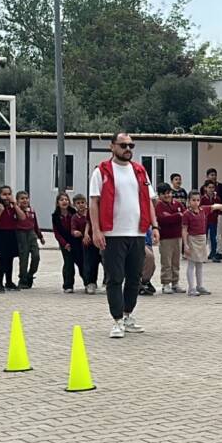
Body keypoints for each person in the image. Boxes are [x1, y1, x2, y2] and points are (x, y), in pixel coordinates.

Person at [90, 132, 159, 339]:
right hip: (112, 234)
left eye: (131, 145)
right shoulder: (101, 171)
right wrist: (96, 230)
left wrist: (154, 226)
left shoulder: (139, 171)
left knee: (134, 278)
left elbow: (148, 200)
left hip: (137, 233)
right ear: (112, 146)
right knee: (115, 278)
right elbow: (94, 202)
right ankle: (117, 320)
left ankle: (128, 315)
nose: (128, 149)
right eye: (123, 145)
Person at [181, 190, 222, 296]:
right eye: (193, 200)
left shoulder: (203, 210)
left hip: (202, 238)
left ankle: (200, 286)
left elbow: (215, 206)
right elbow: (184, 230)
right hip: (192, 239)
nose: (196, 202)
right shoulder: (186, 214)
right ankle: (191, 288)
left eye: (197, 200)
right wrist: (185, 244)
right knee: (191, 263)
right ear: (189, 201)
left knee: (200, 263)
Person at [0, 185, 23, 293]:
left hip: (12, 233)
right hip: (0, 234)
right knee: (2, 260)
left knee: (10, 259)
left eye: (9, 194)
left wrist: (15, 205)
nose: (7, 197)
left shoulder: (13, 207)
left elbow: (22, 217)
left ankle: (9, 281)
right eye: (4, 194)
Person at [155, 184, 184, 293]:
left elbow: (184, 215)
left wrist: (173, 216)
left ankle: (175, 283)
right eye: (164, 194)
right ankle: (166, 283)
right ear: (160, 195)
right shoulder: (159, 206)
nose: (167, 195)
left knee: (176, 261)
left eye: (169, 193)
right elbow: (163, 219)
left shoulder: (178, 204)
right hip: (165, 238)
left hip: (177, 236)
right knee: (166, 262)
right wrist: (177, 215)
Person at [14, 191, 45, 290]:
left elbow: (35, 224)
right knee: (24, 257)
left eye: (26, 198)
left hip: (32, 233)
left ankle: (30, 274)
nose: (25, 200)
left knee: (36, 256)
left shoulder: (31, 210)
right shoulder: (16, 211)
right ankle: (23, 279)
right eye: (22, 198)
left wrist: (40, 236)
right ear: (17, 200)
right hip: (21, 234)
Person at [51, 192, 79, 293]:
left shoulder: (74, 213)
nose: (64, 201)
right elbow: (56, 233)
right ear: (58, 203)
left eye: (66, 199)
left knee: (80, 261)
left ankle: (88, 281)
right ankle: (68, 285)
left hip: (75, 240)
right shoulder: (55, 216)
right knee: (68, 262)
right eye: (62, 200)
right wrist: (64, 244)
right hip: (64, 242)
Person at [73, 195, 101, 294]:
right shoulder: (90, 210)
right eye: (78, 203)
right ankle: (90, 283)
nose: (81, 205)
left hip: (104, 238)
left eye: (82, 202)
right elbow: (89, 222)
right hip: (90, 240)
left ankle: (108, 282)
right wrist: (85, 234)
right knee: (90, 262)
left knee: (106, 262)